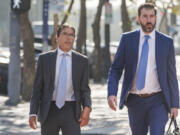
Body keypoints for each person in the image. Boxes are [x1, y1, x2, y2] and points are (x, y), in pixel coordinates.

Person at [107, 3, 179, 135]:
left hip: (158, 100)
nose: (148, 19)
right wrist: (112, 93)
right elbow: (116, 69)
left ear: (156, 18)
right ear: (139, 18)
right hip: (135, 101)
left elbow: (171, 76)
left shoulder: (166, 42)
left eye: (152, 16)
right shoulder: (127, 39)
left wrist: (175, 104)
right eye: (145, 16)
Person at [29, 24, 91, 135]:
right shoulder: (44, 59)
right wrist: (33, 112)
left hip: (71, 110)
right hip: (49, 110)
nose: (68, 38)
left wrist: (87, 107)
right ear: (57, 38)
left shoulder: (82, 61)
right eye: (65, 34)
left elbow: (85, 89)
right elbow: (37, 88)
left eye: (71, 35)